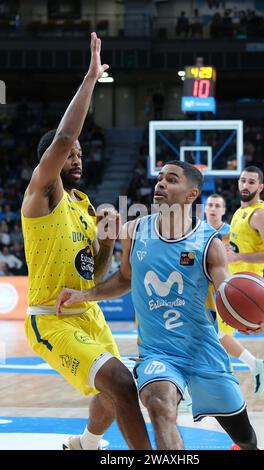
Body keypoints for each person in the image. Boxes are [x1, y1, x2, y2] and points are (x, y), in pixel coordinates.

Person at [56, 161, 264, 450]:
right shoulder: (134, 231)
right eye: (160, 178)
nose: (161, 184)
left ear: (192, 194)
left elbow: (227, 293)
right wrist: (84, 295)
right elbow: (124, 279)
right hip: (159, 353)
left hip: (203, 352)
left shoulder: (209, 242)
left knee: (246, 440)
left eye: (171, 179)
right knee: (158, 402)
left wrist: (252, 319)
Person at [21, 33, 151, 451]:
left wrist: (108, 242)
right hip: (52, 317)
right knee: (119, 379)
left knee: (110, 394)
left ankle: (85, 445)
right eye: (70, 153)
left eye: (80, 152)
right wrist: (91, 78)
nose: (77, 156)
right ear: (53, 162)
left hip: (85, 310)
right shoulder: (43, 194)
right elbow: (60, 140)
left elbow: (91, 274)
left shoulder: (83, 205)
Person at [205, 192, 264, 397]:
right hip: (212, 292)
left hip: (235, 292)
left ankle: (221, 388)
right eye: (209, 204)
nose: (212, 208)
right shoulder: (199, 232)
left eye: (216, 205)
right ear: (205, 208)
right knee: (213, 338)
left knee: (212, 337)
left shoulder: (233, 232)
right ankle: (253, 366)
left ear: (223, 210)